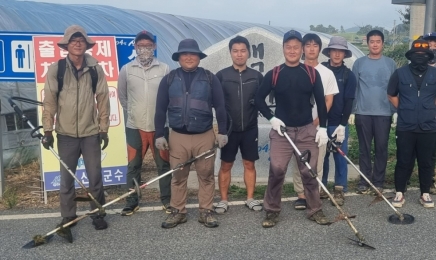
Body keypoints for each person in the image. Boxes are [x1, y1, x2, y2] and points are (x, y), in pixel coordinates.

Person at [255, 30, 329, 228]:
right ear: (283, 49)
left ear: (302, 50)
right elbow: (258, 100)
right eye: (289, 47)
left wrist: (322, 127)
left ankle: (315, 209)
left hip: (306, 130)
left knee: (309, 172)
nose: (292, 50)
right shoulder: (275, 73)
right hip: (282, 132)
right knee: (277, 170)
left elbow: (321, 102)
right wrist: (271, 119)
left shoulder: (312, 73)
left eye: (297, 47)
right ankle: (271, 210)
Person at [42, 25, 110, 230]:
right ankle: (68, 216)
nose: (78, 43)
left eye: (81, 40)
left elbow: (103, 99)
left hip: (90, 133)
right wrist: (47, 130)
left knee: (95, 176)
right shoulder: (57, 69)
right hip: (65, 134)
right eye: (73, 40)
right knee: (66, 178)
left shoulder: (96, 69)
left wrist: (104, 128)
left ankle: (98, 212)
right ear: (67, 45)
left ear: (86, 45)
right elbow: (50, 100)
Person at [155, 39, 228, 228]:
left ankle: (206, 211)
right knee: (178, 176)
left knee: (206, 175)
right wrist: (159, 135)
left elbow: (220, 107)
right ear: (179, 58)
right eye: (184, 54)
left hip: (204, 136)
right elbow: (160, 110)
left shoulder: (210, 78)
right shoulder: (169, 79)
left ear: (199, 57)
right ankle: (178, 212)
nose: (188, 57)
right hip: (177, 137)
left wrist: (222, 132)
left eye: (193, 54)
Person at [118, 30, 172, 216]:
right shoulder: (126, 70)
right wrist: (134, 112)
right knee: (133, 166)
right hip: (135, 126)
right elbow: (123, 97)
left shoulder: (164, 69)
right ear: (135, 47)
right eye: (141, 46)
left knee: (164, 165)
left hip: (159, 128)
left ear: (154, 47)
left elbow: (170, 97)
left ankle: (167, 200)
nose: (144, 49)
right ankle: (132, 202)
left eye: (148, 46)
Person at [214, 36, 264, 214]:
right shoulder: (221, 76)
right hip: (229, 130)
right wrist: (220, 129)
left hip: (250, 128)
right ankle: (223, 200)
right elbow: (216, 103)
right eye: (235, 51)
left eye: (243, 50)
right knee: (226, 165)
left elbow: (262, 102)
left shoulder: (257, 76)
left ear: (249, 53)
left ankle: (250, 198)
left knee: (249, 164)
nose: (239, 54)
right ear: (230, 53)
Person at [291, 33, 339, 210]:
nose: (311, 49)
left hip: (319, 125)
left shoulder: (327, 73)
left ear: (319, 49)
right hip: (297, 125)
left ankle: (314, 193)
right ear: (303, 49)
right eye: (308, 45)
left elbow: (328, 100)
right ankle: (301, 195)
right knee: (299, 161)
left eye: (315, 45)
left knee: (317, 161)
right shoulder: (295, 69)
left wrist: (317, 122)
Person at [387, 39, 436, 208]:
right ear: (411, 56)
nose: (420, 57)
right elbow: (391, 94)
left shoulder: (434, 74)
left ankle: (425, 193)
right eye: (417, 54)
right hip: (406, 125)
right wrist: (404, 108)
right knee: (403, 160)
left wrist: (429, 108)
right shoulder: (400, 73)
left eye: (424, 54)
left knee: (426, 161)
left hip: (428, 125)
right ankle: (399, 193)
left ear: (429, 56)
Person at [349, 30, 396, 195]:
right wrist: (352, 111)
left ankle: (378, 181)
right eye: (372, 41)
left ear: (383, 43)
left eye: (378, 41)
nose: (375, 44)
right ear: (367, 43)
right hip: (363, 113)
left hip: (384, 113)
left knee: (381, 148)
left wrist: (395, 111)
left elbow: (394, 89)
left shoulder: (390, 63)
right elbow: (354, 89)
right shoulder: (359, 63)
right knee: (364, 148)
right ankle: (364, 180)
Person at [321, 36, 357, 206]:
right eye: (334, 50)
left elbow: (349, 101)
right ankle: (322, 186)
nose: (337, 54)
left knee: (340, 158)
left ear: (344, 54)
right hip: (320, 122)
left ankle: (339, 189)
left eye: (340, 51)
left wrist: (343, 124)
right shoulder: (319, 70)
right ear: (329, 52)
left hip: (338, 122)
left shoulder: (349, 75)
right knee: (322, 157)